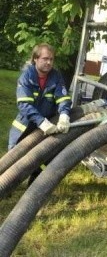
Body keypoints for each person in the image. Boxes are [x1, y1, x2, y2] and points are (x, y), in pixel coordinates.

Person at [8, 43, 72, 181]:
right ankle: (6, 186)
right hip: (25, 125)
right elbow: (24, 104)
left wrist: (64, 115)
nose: (49, 62)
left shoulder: (56, 76)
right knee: (14, 159)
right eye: (45, 58)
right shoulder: (27, 76)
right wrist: (41, 122)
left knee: (45, 157)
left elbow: (63, 98)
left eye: (51, 59)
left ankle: (34, 186)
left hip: (49, 124)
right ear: (35, 59)